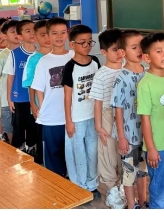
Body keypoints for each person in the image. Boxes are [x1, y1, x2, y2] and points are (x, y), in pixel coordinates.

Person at [137, 33, 164, 209]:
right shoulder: (145, 84)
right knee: (159, 190)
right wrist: (151, 149)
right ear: (147, 58)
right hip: (159, 147)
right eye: (159, 51)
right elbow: (145, 119)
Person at [62, 24, 102, 199]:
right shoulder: (70, 67)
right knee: (77, 152)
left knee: (92, 151)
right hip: (77, 118)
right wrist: (69, 121)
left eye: (90, 42)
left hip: (93, 116)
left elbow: (99, 89)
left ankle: (92, 185)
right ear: (72, 44)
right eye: (82, 42)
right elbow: (67, 97)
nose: (87, 46)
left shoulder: (95, 62)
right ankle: (79, 186)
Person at [111, 30, 148, 209]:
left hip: (145, 134)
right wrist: (122, 137)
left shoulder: (147, 73)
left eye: (141, 46)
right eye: (134, 47)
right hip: (128, 134)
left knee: (142, 171)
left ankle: (143, 201)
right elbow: (117, 109)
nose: (139, 50)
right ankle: (132, 206)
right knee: (129, 173)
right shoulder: (121, 78)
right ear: (123, 52)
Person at [31, 17, 72, 178]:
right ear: (48, 35)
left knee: (70, 151)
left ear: (68, 34)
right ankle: (56, 182)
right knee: (53, 152)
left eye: (63, 32)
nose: (59, 37)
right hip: (52, 116)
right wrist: (41, 107)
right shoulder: (43, 61)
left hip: (73, 116)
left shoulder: (74, 56)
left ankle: (72, 180)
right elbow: (38, 88)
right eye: (54, 33)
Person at [90, 28, 124, 197]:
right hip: (108, 115)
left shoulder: (127, 68)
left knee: (123, 153)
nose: (120, 53)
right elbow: (98, 103)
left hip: (125, 115)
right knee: (108, 153)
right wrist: (99, 126)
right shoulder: (101, 75)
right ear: (104, 52)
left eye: (122, 49)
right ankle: (112, 191)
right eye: (115, 49)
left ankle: (124, 187)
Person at [3, 20, 38, 156]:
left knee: (33, 124)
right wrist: (9, 98)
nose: (32, 33)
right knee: (19, 125)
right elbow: (10, 77)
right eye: (28, 31)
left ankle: (32, 147)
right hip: (20, 97)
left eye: (34, 30)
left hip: (37, 98)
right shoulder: (14, 54)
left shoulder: (41, 53)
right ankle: (19, 149)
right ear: (19, 36)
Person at [22, 19, 51, 164]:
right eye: (43, 35)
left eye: (49, 34)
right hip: (41, 106)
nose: (47, 38)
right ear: (35, 37)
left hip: (59, 106)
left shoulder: (61, 56)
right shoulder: (33, 59)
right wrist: (33, 105)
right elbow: (31, 85)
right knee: (43, 138)